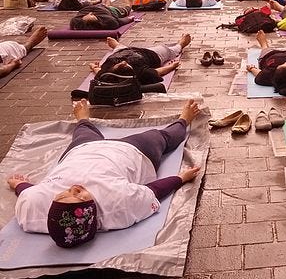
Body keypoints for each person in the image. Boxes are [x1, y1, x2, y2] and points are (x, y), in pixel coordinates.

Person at [7, 99, 203, 248]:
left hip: (81, 151)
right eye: (79, 196)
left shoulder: (33, 210)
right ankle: (184, 118)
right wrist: (180, 178)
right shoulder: (117, 205)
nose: (74, 189)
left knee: (83, 130)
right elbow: (152, 190)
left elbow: (27, 192)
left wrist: (18, 184)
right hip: (130, 152)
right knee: (162, 137)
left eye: (63, 195)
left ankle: (83, 118)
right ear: (93, 211)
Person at [90, 34, 190, 86]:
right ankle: (180, 44)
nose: (124, 62)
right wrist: (171, 66)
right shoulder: (141, 73)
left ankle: (117, 45)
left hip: (122, 51)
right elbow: (158, 71)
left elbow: (98, 72)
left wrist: (93, 67)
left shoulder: (106, 73)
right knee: (168, 50)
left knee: (119, 48)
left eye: (121, 64)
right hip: (150, 54)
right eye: (126, 65)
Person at [69, 1, 135, 30]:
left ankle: (106, 4)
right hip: (109, 10)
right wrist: (130, 18)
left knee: (103, 6)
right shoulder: (109, 21)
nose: (91, 13)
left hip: (97, 7)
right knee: (124, 11)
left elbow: (73, 22)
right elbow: (121, 21)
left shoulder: (76, 21)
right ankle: (128, 5)